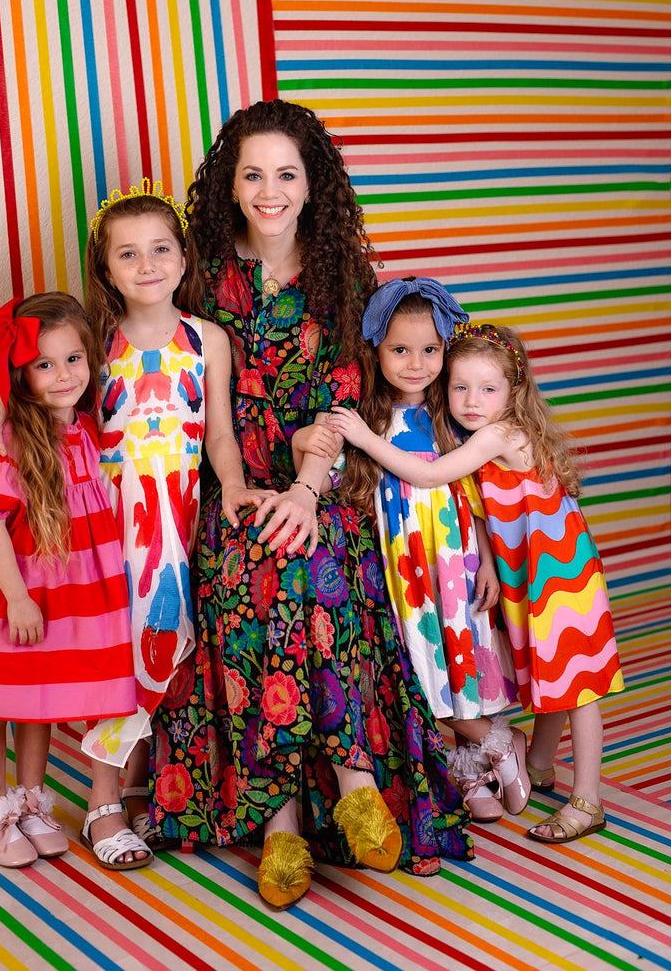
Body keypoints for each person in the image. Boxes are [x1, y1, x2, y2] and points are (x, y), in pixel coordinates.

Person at [150, 99, 473, 909]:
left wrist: (304, 490)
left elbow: (345, 400)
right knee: (251, 563)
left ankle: (346, 793)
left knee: (312, 557)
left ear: (312, 184)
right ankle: (286, 823)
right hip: (231, 479)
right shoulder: (198, 271)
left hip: (323, 476)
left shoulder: (344, 276)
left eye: (286, 174)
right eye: (253, 175)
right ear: (230, 185)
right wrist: (240, 489)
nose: (270, 191)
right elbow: (170, 370)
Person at [332, 320, 624, 843]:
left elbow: (428, 475)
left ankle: (588, 801)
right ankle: (538, 764)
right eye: (460, 387)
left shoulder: (498, 434)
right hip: (534, 576)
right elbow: (484, 511)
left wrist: (363, 438)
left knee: (577, 688)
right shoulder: (484, 431)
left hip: (558, 580)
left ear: (514, 390)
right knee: (552, 677)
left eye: (487, 389)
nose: (471, 401)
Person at [77, 182, 269, 868]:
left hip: (182, 518)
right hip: (116, 523)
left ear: (184, 259)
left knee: (175, 650)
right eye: (128, 254)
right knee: (121, 654)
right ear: (106, 269)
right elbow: (55, 409)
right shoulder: (94, 343)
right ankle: (101, 803)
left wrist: (235, 484)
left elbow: (218, 434)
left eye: (161, 249)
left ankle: (147, 787)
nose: (147, 265)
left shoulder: (208, 340)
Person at [329, 278, 524, 824]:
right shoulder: (367, 418)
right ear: (376, 349)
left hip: (455, 558)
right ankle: (496, 744)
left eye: (430, 350)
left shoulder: (452, 414)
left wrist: (488, 559)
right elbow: (335, 479)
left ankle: (473, 768)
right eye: (400, 349)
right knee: (419, 664)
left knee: (460, 659)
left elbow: (475, 494)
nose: (416, 364)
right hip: (401, 564)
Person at [0, 293, 137, 868]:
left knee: (39, 695)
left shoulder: (83, 427)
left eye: (74, 359)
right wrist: (17, 599)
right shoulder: (9, 439)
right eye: (44, 364)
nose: (64, 376)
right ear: (20, 373)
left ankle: (31, 802)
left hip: (59, 590)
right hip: (10, 590)